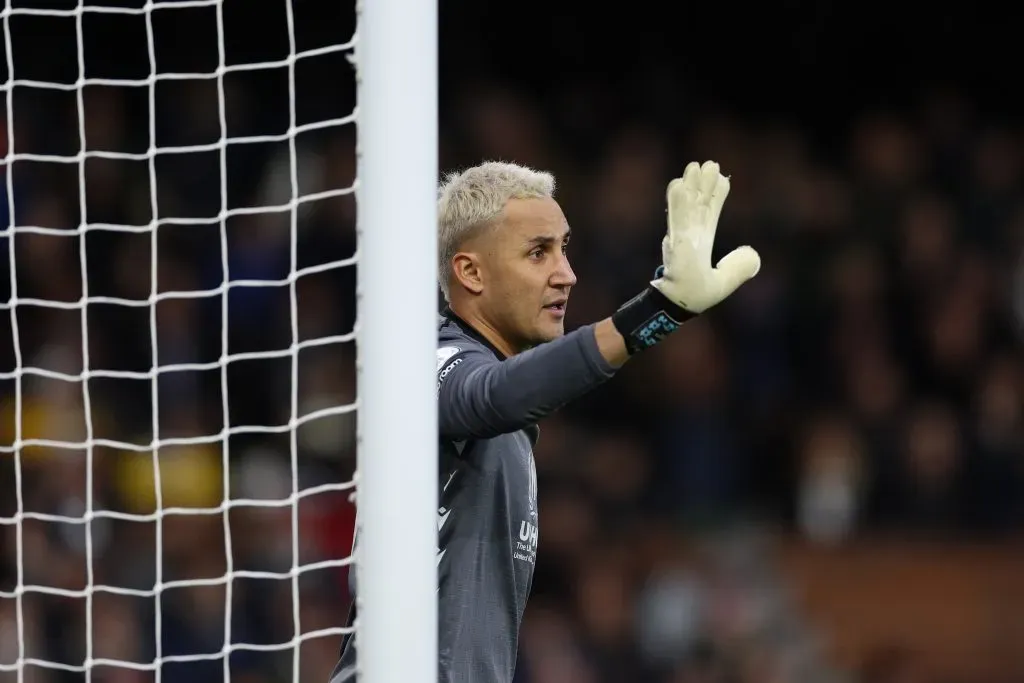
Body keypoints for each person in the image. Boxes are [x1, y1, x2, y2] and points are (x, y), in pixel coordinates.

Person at [329, 160, 761, 683]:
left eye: (564, 248)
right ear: (470, 273)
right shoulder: (432, 361)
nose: (566, 273)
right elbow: (490, 395)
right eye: (539, 252)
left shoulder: (504, 421)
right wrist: (658, 308)